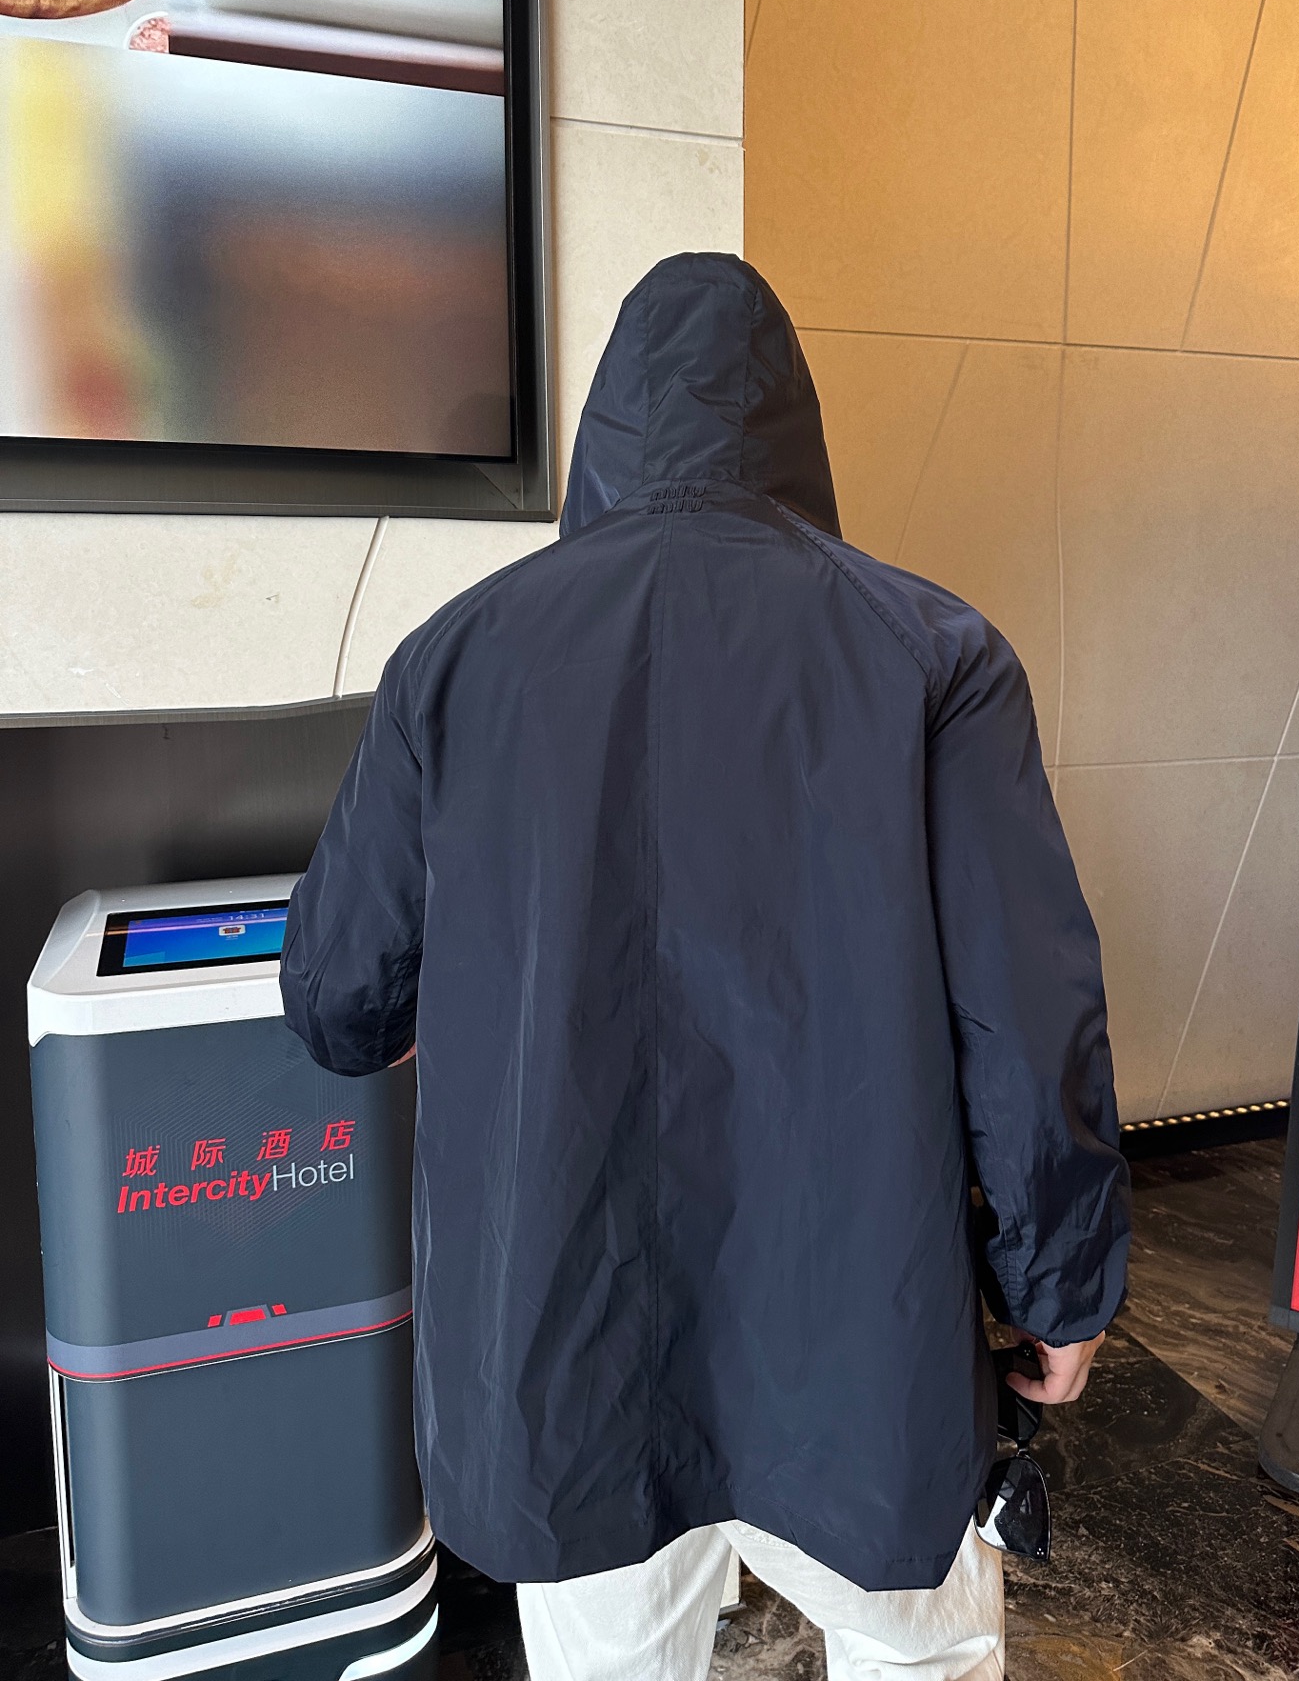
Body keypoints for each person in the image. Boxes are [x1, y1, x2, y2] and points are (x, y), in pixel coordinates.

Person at [280, 253, 1130, 1681]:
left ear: (601, 428)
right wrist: (1061, 1287)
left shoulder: (459, 657)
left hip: (570, 1333)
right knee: (917, 1656)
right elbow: (1028, 1016)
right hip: (860, 1339)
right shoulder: (936, 655)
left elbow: (337, 1000)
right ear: (798, 428)